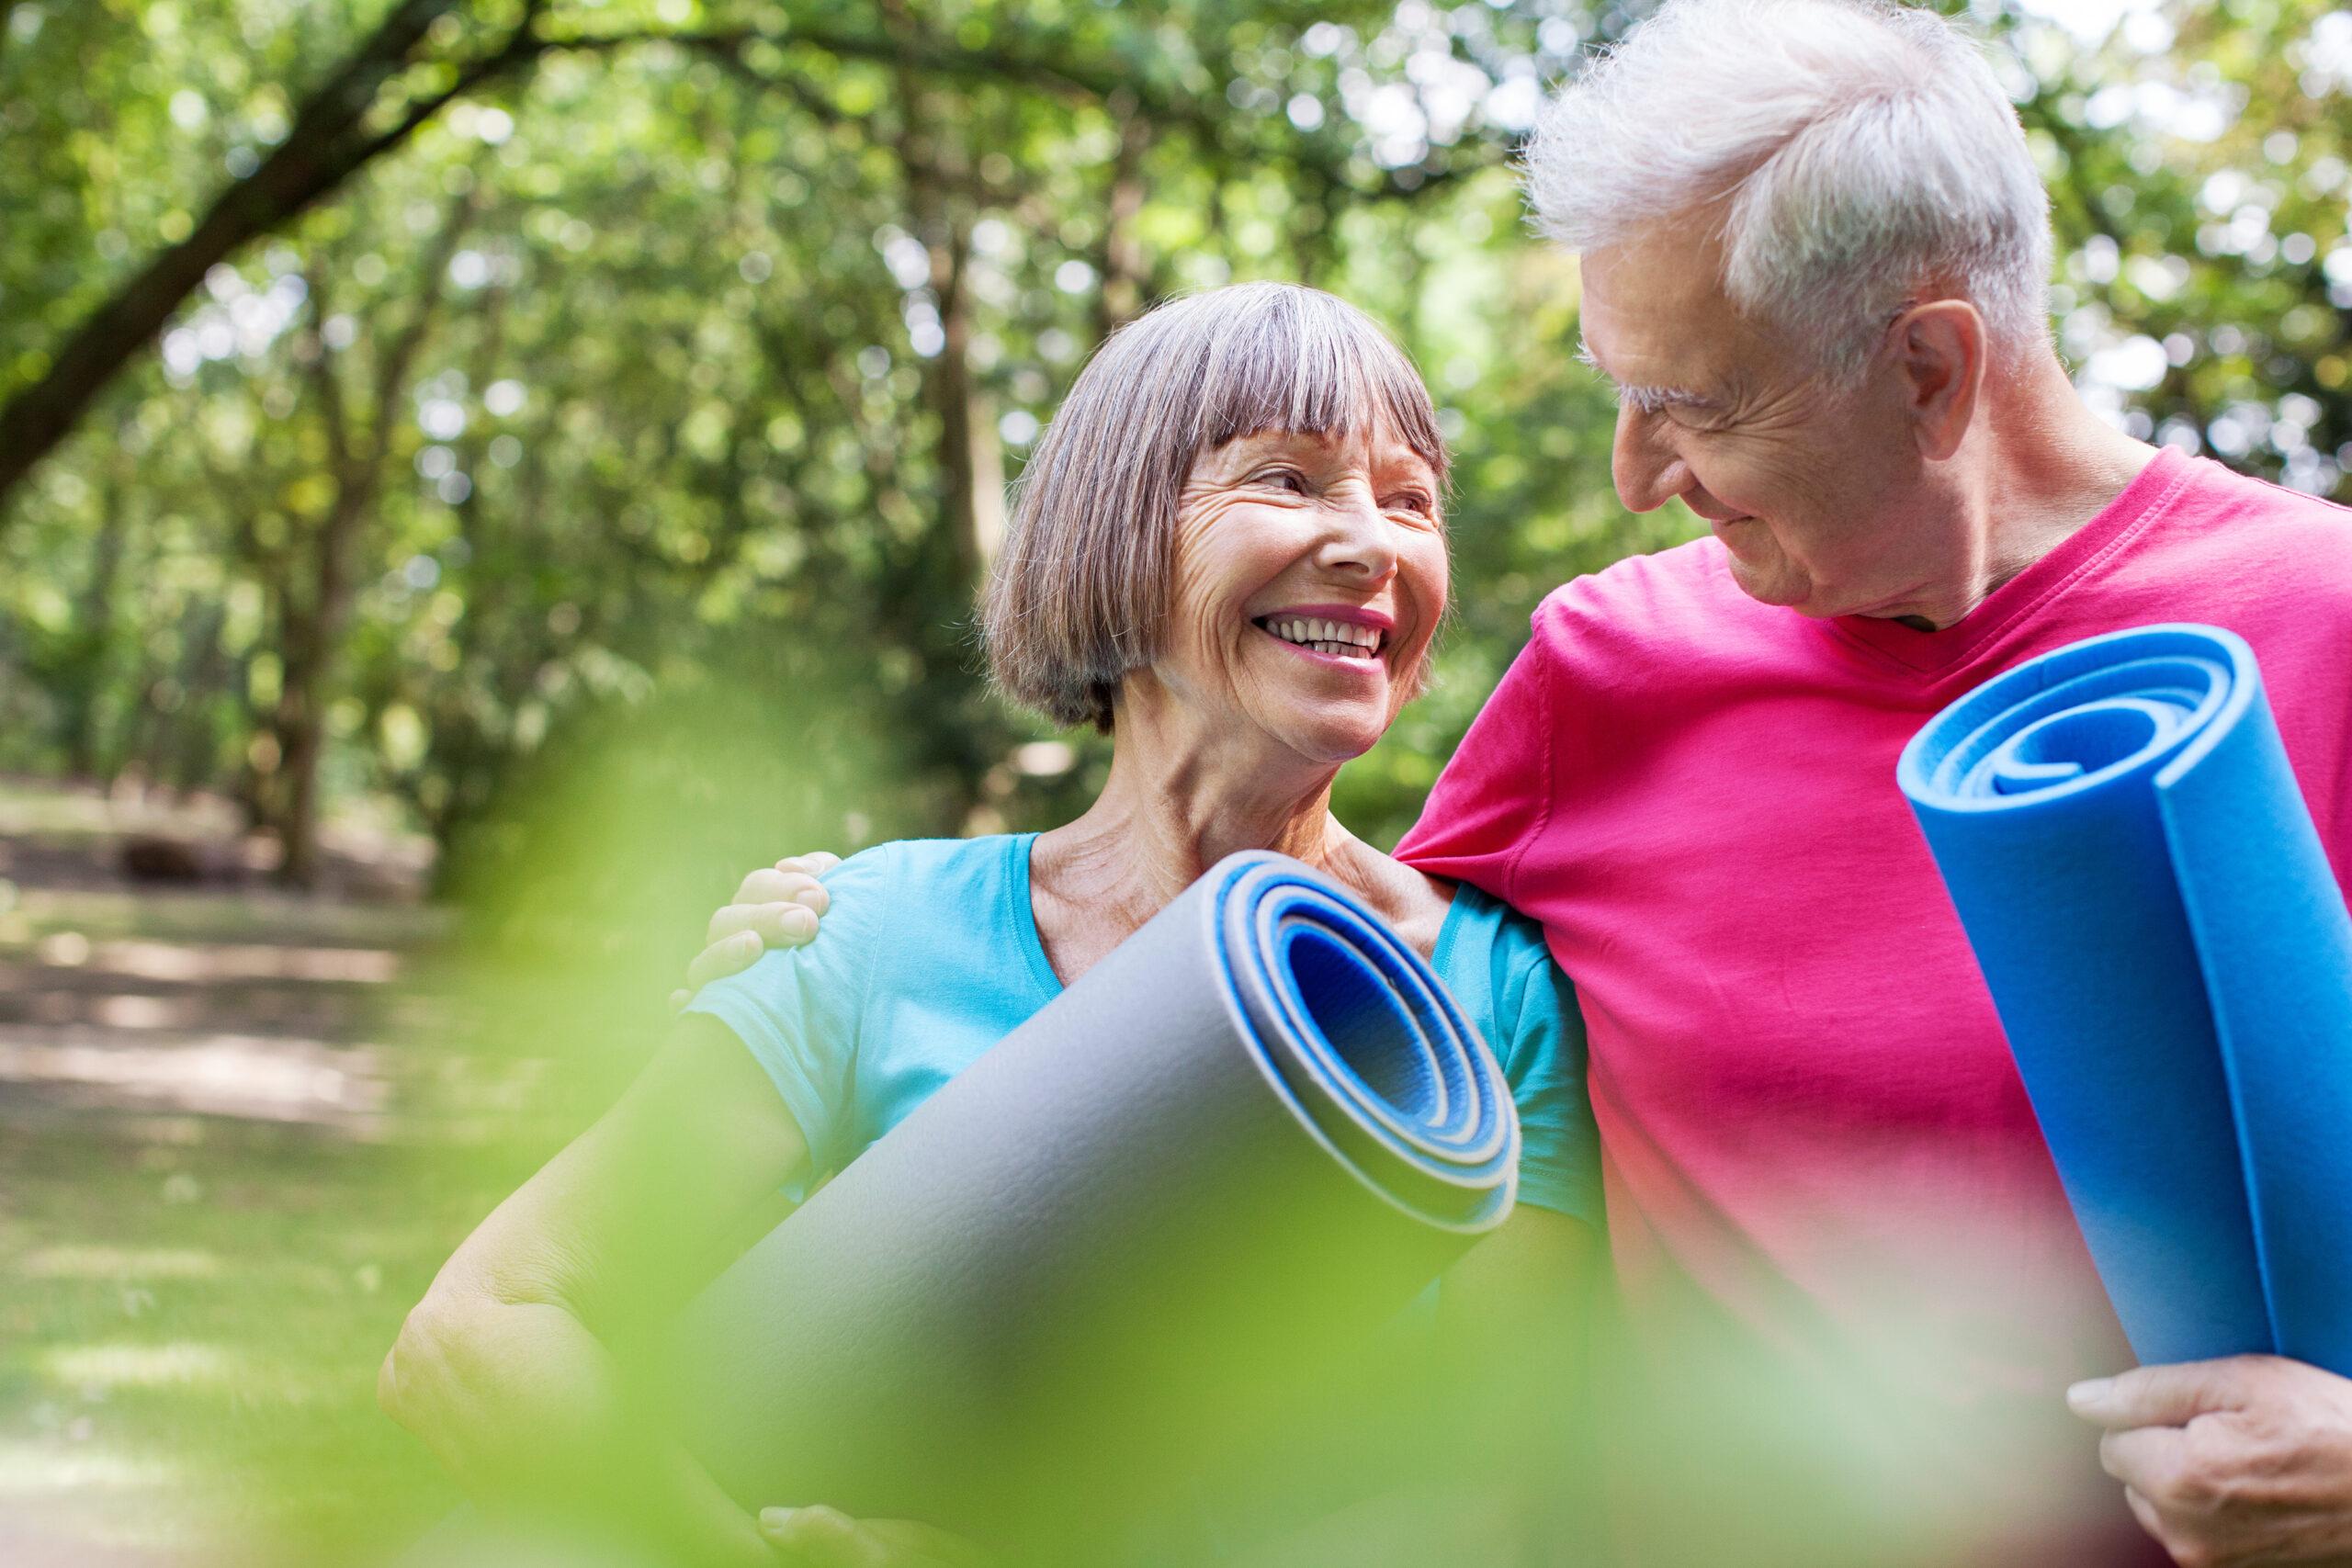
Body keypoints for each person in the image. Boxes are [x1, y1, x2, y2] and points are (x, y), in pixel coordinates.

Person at [379, 282, 1604, 1568]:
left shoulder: (1492, 1004)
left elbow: (1492, 1506)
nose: (1370, 543)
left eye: (1410, 501)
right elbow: (476, 1332)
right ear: (1120, 530)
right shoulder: (866, 933)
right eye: (1289, 481)